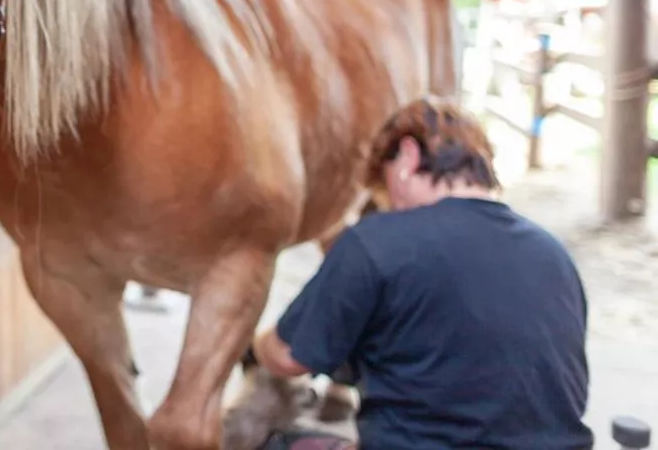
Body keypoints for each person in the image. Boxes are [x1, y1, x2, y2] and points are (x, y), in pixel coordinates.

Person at [250, 97, 594, 449]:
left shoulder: (377, 241)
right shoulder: (553, 254)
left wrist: (257, 343)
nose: (390, 206)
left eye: (387, 190)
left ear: (408, 156)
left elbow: (287, 356)